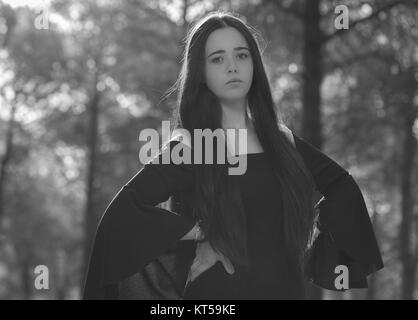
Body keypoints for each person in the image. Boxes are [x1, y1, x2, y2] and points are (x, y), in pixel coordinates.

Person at [82, 11, 383, 300]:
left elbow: (343, 186)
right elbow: (121, 217)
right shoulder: (191, 145)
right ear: (201, 74)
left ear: (254, 64)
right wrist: (199, 234)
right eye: (217, 59)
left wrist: (312, 247)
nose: (232, 66)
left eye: (241, 55)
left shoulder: (282, 141)